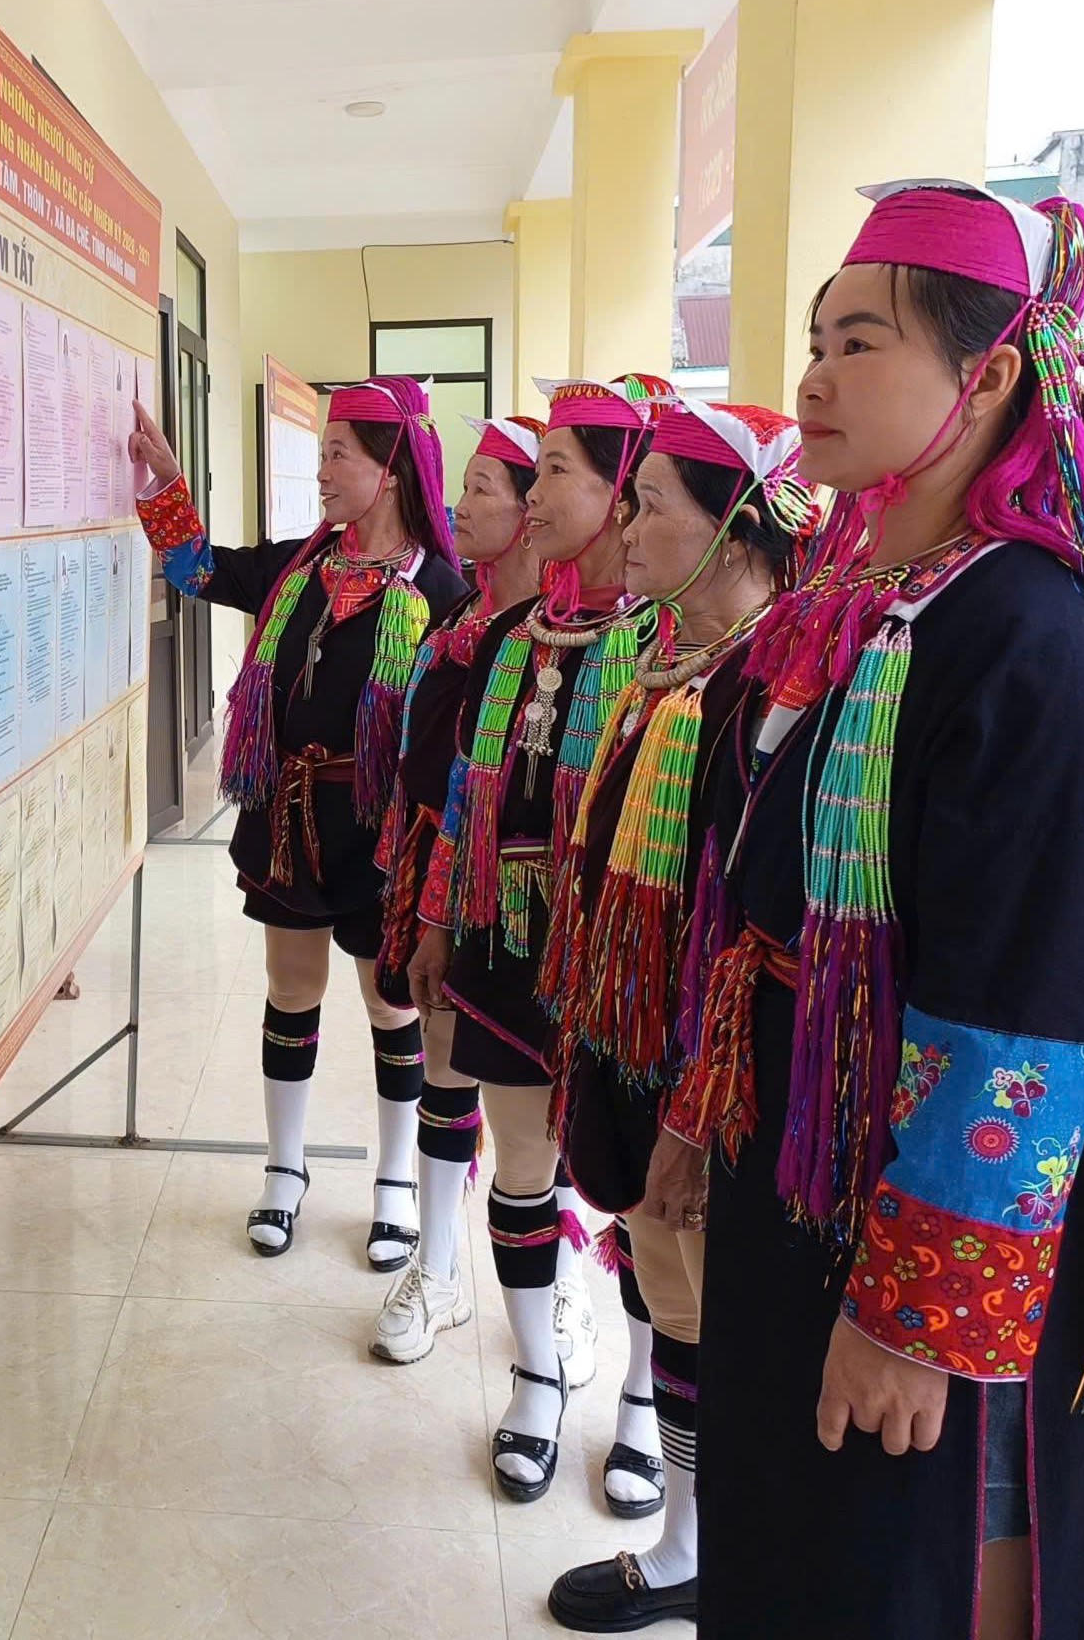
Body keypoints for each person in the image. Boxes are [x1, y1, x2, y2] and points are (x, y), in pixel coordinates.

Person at [661, 181, 1084, 1640]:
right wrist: (699, 1117)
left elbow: (1024, 1014)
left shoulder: (1036, 647)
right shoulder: (848, 613)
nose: (812, 379)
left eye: (859, 343)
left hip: (929, 1240)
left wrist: (918, 1318)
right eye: (813, 341)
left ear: (989, 377)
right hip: (801, 1172)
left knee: (909, 1573)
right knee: (795, 1556)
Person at [540, 398, 817, 1632]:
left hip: (715, 1077)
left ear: (736, 530)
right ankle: (689, 1542)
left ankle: (724, 1556)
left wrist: (698, 1106)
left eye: (650, 505)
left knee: (719, 1314)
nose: (625, 528)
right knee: (670, 1302)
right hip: (642, 1046)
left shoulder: (780, 688)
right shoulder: (667, 663)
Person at [129, 379, 469, 1267]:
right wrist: (163, 485)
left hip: (381, 831)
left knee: (389, 1003)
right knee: (290, 991)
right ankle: (284, 1167)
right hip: (288, 818)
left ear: (389, 469)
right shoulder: (298, 570)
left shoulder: (442, 590)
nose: (320, 471)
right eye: (321, 453)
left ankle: (393, 1181)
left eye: (336, 454)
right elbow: (195, 570)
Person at [405, 377, 662, 1502]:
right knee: (519, 1163)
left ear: (619, 493)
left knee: (639, 1188)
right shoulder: (510, 635)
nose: (536, 492)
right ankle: (536, 1375)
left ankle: (644, 1396)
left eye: (558, 469)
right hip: (504, 938)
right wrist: (434, 919)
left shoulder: (666, 645)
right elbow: (467, 792)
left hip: (623, 957)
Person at [368, 414, 555, 1364]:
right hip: (439, 870)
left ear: (531, 510)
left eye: (484, 487)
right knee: (441, 1059)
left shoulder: (567, 635)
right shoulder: (453, 617)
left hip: (528, 898)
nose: (460, 503)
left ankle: (558, 1285)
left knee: (541, 1102)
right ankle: (435, 1262)